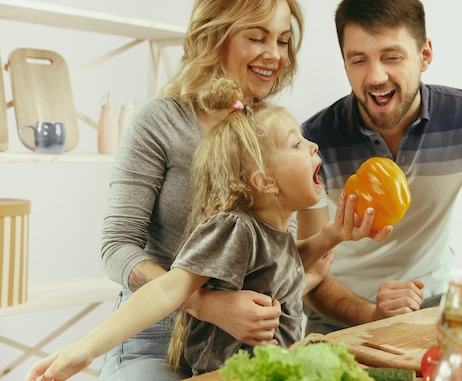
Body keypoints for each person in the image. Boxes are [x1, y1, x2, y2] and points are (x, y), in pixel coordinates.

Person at [27, 77, 384, 381]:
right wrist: (85, 349)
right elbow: (168, 290)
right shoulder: (235, 229)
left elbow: (284, 263)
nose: (313, 146)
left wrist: (333, 234)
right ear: (264, 180)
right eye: (296, 144)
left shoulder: (272, 232)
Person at [297, 0, 462, 335]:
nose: (375, 77)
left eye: (392, 57)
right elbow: (309, 267)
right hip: (339, 323)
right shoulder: (312, 143)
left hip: (435, 313)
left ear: (425, 55)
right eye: (359, 60)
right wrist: (372, 315)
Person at [97, 0, 311, 381]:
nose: (275, 54)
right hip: (154, 336)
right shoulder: (160, 120)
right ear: (215, 34)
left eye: (283, 40)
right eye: (257, 37)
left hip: (241, 345)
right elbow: (117, 246)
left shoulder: (273, 134)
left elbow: (276, 256)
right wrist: (204, 303)